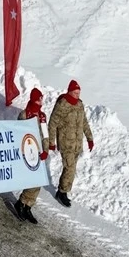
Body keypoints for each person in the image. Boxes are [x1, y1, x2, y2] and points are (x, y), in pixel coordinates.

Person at [48, 80, 94, 208]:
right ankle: (62, 192)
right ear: (69, 91)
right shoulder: (62, 104)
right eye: (75, 92)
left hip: (76, 144)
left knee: (69, 169)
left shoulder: (79, 105)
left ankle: (63, 191)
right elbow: (52, 123)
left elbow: (84, 122)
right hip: (66, 143)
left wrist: (90, 138)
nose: (77, 95)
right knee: (70, 168)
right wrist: (51, 142)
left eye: (79, 92)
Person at [14, 88, 49, 224]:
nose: (41, 101)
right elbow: (19, 133)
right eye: (40, 98)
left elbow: (45, 135)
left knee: (38, 181)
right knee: (31, 179)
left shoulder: (42, 116)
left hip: (39, 152)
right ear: (34, 99)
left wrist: (45, 150)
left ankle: (28, 206)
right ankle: (21, 202)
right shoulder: (24, 115)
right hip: (28, 151)